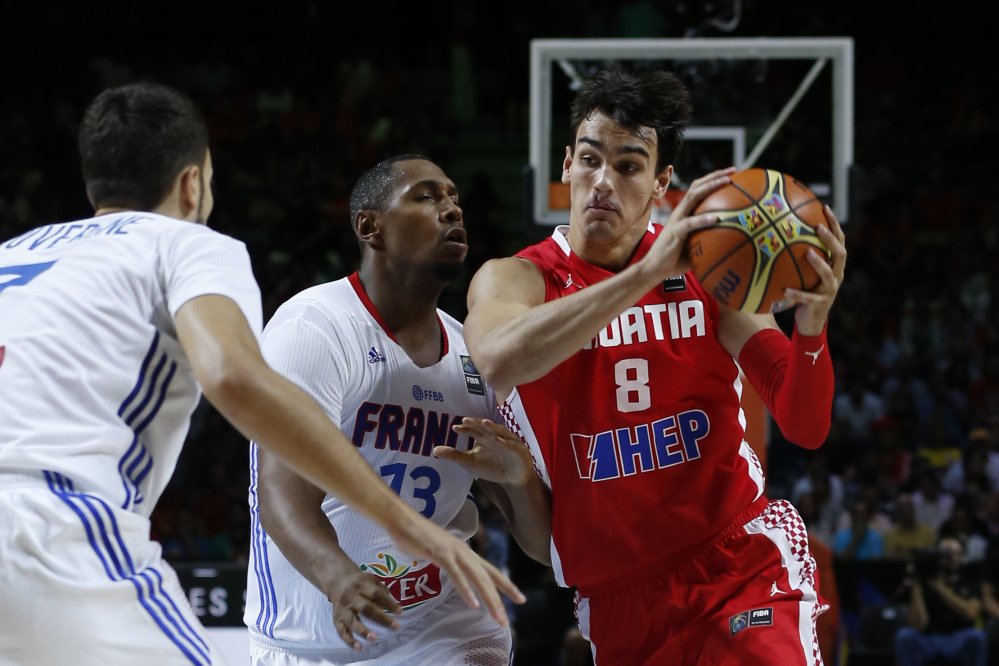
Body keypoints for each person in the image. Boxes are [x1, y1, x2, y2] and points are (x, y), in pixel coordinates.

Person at [0, 84, 521, 666]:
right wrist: (404, 522)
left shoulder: (13, 254)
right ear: (192, 184)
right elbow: (232, 378)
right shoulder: (187, 245)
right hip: (62, 524)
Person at [463, 66, 846, 665]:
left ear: (663, 182)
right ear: (565, 165)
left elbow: (806, 426)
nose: (603, 182)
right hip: (618, 597)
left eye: (629, 166)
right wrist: (642, 275)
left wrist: (813, 330)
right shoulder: (518, 279)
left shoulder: (709, 272)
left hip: (735, 559)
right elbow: (496, 358)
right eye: (589, 160)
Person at [245, 155, 551, 666]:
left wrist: (521, 481)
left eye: (454, 198)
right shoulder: (314, 327)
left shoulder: (476, 357)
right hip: (311, 630)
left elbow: (542, 549)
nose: (451, 210)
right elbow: (280, 496)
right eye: (427, 196)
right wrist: (340, 577)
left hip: (442, 624)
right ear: (370, 227)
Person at [896, 537, 987, 666]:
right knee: (905, 635)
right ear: (936, 555)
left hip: (958, 638)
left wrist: (939, 587)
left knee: (977, 637)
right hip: (928, 639)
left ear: (962, 556)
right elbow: (917, 625)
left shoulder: (969, 580)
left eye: (955, 553)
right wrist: (916, 584)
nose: (951, 557)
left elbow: (970, 613)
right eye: (946, 553)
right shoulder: (924, 581)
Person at [884, 494, 938, 559]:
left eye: (909, 507)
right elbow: (890, 557)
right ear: (898, 512)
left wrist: (902, 552)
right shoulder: (891, 534)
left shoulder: (928, 533)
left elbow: (931, 557)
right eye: (903, 508)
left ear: (913, 509)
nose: (907, 511)